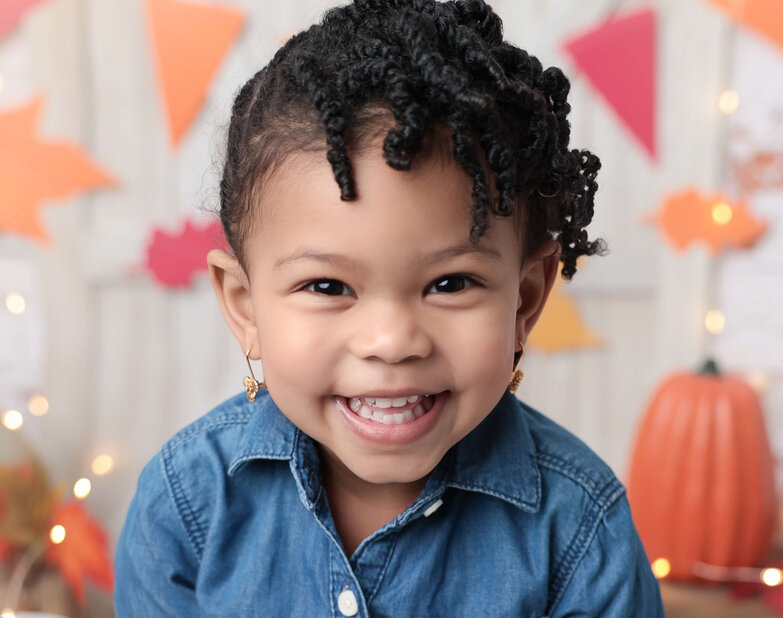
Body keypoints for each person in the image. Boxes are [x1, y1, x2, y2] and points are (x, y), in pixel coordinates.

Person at [115, 0, 665, 615]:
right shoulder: (185, 505)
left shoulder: (583, 536)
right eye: (327, 287)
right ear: (245, 306)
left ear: (526, 297)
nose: (391, 340)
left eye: (451, 283)